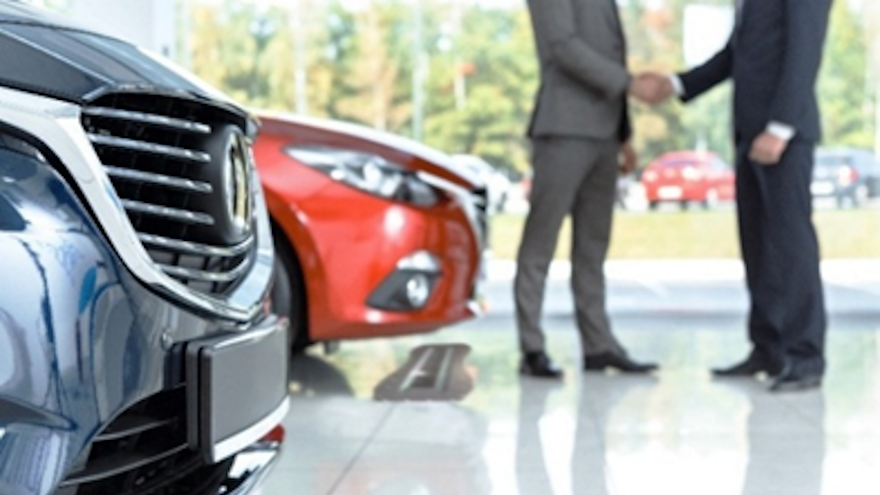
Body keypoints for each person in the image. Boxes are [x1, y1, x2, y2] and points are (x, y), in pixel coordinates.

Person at [646, 0, 833, 391]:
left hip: (783, 136)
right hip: (750, 132)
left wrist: (780, 127)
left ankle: (804, 356)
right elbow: (739, 53)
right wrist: (678, 84)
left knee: (790, 246)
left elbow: (805, 48)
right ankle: (768, 349)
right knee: (758, 245)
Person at [516, 0, 663, 379]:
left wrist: (624, 135)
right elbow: (563, 46)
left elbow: (612, 54)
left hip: (605, 134)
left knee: (593, 246)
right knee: (540, 242)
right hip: (563, 128)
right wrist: (629, 84)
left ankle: (598, 346)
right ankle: (532, 347)